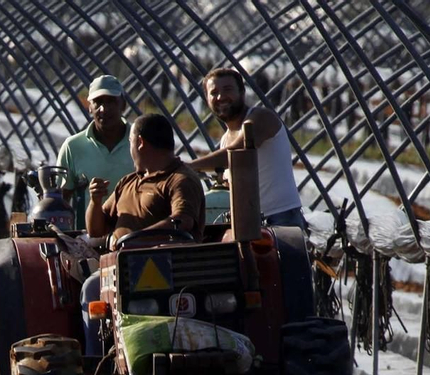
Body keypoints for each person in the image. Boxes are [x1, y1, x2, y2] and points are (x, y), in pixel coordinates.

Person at [80, 113, 206, 352]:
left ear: (139, 142)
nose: (130, 150)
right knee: (91, 288)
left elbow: (183, 220)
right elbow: (95, 229)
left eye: (129, 143)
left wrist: (133, 242)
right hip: (118, 270)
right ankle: (95, 361)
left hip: (167, 272)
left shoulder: (180, 180)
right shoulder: (127, 183)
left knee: (91, 288)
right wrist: (95, 201)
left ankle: (97, 357)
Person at [188, 65, 305, 229]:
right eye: (214, 93)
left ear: (242, 92)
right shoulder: (225, 139)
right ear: (207, 99)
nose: (221, 96)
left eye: (227, 89)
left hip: (280, 217)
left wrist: (187, 166)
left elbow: (235, 153)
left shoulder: (261, 118)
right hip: (248, 221)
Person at [55, 75, 135, 221]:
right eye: (97, 103)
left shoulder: (139, 143)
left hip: (132, 237)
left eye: (111, 102)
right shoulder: (73, 147)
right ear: (89, 107)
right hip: (85, 239)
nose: (104, 109)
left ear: (123, 105)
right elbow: (61, 200)